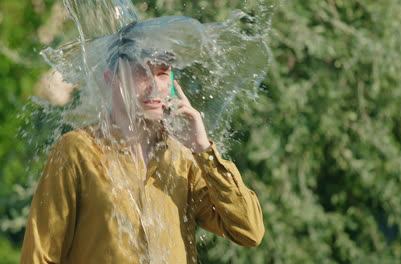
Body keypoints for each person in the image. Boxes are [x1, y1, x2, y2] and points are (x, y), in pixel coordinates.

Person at [20, 20, 264, 264]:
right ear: (110, 79)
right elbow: (39, 255)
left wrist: (203, 149)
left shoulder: (182, 159)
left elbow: (248, 231)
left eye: (162, 73)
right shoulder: (77, 150)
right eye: (141, 73)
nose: (155, 86)